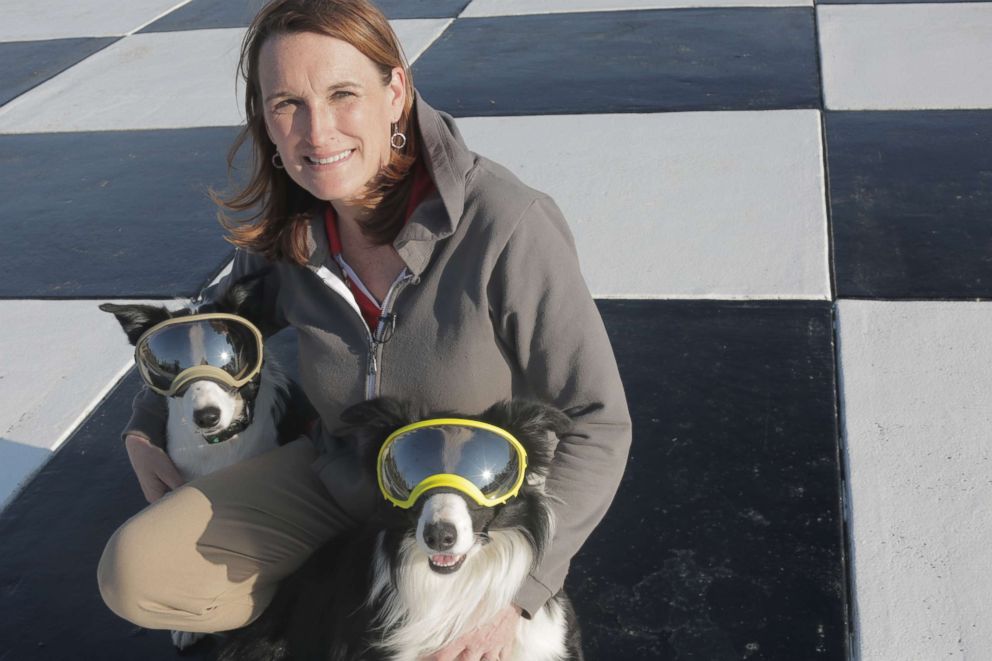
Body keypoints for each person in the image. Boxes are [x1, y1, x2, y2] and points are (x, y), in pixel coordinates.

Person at [96, 1, 632, 659]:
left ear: (395, 92)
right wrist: (146, 420)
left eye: (342, 93)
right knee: (138, 572)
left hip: (461, 508)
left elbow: (598, 420)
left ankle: (373, 603)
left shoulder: (505, 225)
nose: (316, 131)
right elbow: (217, 330)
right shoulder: (293, 225)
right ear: (264, 118)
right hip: (342, 479)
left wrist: (521, 590)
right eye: (287, 102)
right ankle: (338, 597)